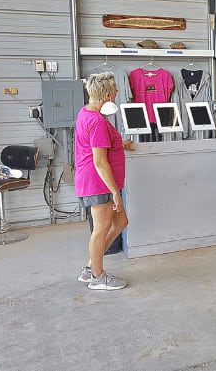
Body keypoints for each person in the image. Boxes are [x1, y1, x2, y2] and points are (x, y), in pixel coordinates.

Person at [75, 73, 134, 291]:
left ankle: (91, 268)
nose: (118, 92)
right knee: (101, 228)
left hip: (100, 182)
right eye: (116, 89)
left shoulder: (88, 112)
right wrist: (116, 193)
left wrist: (121, 145)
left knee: (120, 222)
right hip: (96, 182)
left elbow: (101, 147)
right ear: (107, 94)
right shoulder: (97, 121)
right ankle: (97, 277)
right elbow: (99, 162)